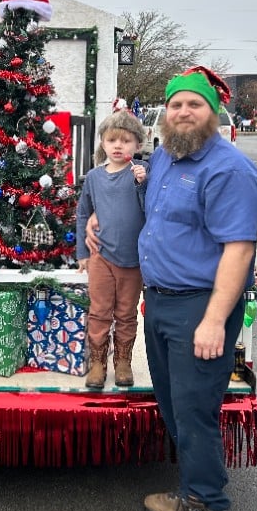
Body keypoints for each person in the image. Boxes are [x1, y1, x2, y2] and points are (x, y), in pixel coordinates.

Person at [88, 70, 257, 511]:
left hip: (199, 308)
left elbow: (238, 249)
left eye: (195, 105)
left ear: (214, 113)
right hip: (160, 301)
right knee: (171, 405)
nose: (183, 112)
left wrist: (214, 320)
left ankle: (210, 508)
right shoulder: (165, 156)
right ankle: (190, 489)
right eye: (176, 104)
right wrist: (101, 215)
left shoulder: (228, 170)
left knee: (195, 412)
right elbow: (146, 207)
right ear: (164, 112)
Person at [75, 110, 148, 389]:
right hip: (101, 256)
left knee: (127, 313)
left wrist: (143, 182)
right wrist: (83, 252)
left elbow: (150, 206)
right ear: (103, 143)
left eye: (126, 140)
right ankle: (97, 362)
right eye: (112, 140)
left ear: (137, 145)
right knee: (99, 310)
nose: (118, 146)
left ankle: (123, 362)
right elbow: (84, 213)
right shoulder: (94, 177)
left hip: (132, 259)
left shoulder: (141, 173)